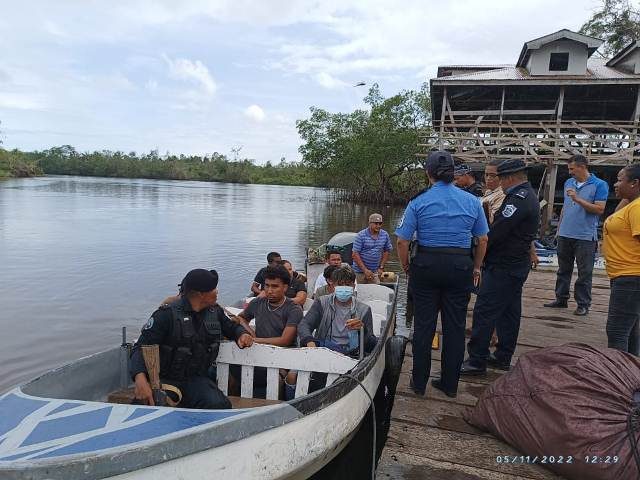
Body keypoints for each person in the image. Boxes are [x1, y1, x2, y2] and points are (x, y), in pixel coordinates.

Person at [396, 150, 489, 398]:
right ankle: (449, 385)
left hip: (425, 267)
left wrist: (406, 266)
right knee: (455, 328)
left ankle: (418, 384)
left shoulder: (418, 201)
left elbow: (402, 241)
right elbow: (482, 239)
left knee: (423, 326)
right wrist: (476, 267)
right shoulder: (472, 201)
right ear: (453, 173)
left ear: (428, 173)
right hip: (460, 267)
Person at [130, 269, 254, 409]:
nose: (217, 291)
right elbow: (140, 348)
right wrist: (140, 379)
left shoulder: (215, 312)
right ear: (201, 294)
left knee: (219, 405)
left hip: (196, 379)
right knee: (145, 407)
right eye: (213, 289)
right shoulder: (165, 315)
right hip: (163, 380)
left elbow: (231, 327)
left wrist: (241, 334)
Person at [461, 159, 540, 375]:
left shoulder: (518, 200)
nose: (499, 184)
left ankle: (477, 360)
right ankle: (503, 355)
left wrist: (477, 249)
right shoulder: (527, 196)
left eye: (500, 179)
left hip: (504, 266)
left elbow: (497, 232)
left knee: (485, 311)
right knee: (509, 312)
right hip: (515, 265)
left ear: (509, 178)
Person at [544, 154, 609, 316]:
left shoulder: (599, 185)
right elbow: (565, 207)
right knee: (563, 269)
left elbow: (600, 209)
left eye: (572, 169)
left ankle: (583, 304)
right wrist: (559, 230)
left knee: (584, 272)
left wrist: (578, 199)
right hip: (565, 233)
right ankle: (561, 298)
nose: (570, 172)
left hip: (585, 236)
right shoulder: (569, 182)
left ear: (582, 167)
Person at [602, 164, 640, 355]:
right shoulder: (631, 204)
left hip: (631, 277)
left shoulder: (637, 208)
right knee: (631, 331)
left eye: (619, 180)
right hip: (624, 276)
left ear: (634, 183)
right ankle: (632, 369)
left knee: (617, 330)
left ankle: (618, 371)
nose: (615, 184)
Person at [298, 266, 377, 355]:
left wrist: (362, 329)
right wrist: (309, 341)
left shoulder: (364, 309)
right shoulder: (322, 303)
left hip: (353, 355)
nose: (344, 288)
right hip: (325, 352)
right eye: (340, 284)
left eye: (348, 284)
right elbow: (304, 324)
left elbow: (371, 344)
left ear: (353, 286)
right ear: (333, 286)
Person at [237, 265, 303, 347]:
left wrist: (253, 339)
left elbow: (285, 340)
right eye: (267, 285)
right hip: (258, 349)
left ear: (285, 288)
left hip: (285, 352)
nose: (269, 291)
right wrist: (250, 333)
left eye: (275, 286)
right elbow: (241, 318)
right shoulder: (257, 302)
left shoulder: (294, 309)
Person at [352, 213, 393, 284]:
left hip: (375, 272)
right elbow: (355, 254)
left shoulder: (385, 235)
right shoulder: (361, 235)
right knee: (358, 290)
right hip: (359, 272)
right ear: (370, 223)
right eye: (376, 223)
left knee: (376, 289)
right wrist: (365, 270)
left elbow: (387, 251)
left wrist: (381, 267)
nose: (378, 226)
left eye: (380, 224)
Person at [481, 159, 507, 224]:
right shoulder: (489, 191)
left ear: (503, 176)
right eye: (486, 175)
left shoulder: (503, 194)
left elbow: (492, 221)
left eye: (493, 175)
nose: (488, 178)